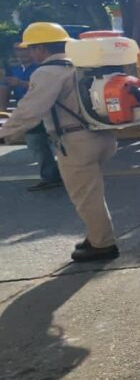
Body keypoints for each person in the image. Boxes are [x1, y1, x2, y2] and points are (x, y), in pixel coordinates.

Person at [0, 23, 119, 262]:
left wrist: (5, 133)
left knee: (87, 197)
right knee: (92, 193)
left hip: (75, 141)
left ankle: (103, 245)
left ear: (41, 48)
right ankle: (96, 235)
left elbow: (30, 110)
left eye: (31, 48)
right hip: (103, 136)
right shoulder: (81, 65)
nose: (30, 53)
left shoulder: (46, 72)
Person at [6, 44, 63, 191]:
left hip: (41, 111)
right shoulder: (16, 69)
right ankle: (53, 176)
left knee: (41, 144)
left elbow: (39, 88)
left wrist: (20, 83)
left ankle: (53, 177)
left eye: (25, 49)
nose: (22, 52)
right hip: (30, 112)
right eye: (18, 49)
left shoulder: (42, 68)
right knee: (40, 145)